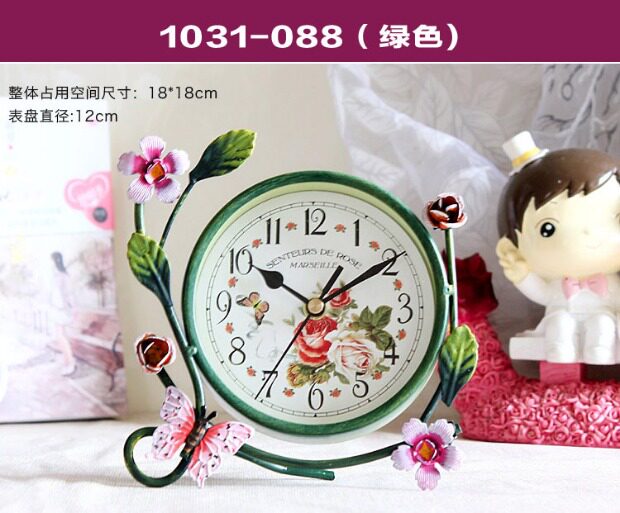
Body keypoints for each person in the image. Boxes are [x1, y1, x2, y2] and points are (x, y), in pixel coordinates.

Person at [496, 131, 620, 365]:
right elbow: (541, 293)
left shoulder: (613, 282)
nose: (585, 234)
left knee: (603, 324)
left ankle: (599, 352)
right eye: (547, 229)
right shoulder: (557, 286)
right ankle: (559, 351)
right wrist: (521, 274)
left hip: (606, 316)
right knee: (560, 324)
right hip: (560, 315)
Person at [50, 252, 77, 375]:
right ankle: (68, 362)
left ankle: (70, 363)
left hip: (63, 310)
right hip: (58, 310)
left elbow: (69, 294)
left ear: (56, 261)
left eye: (51, 261)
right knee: (61, 337)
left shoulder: (63, 276)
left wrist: (72, 309)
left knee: (61, 337)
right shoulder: (56, 276)